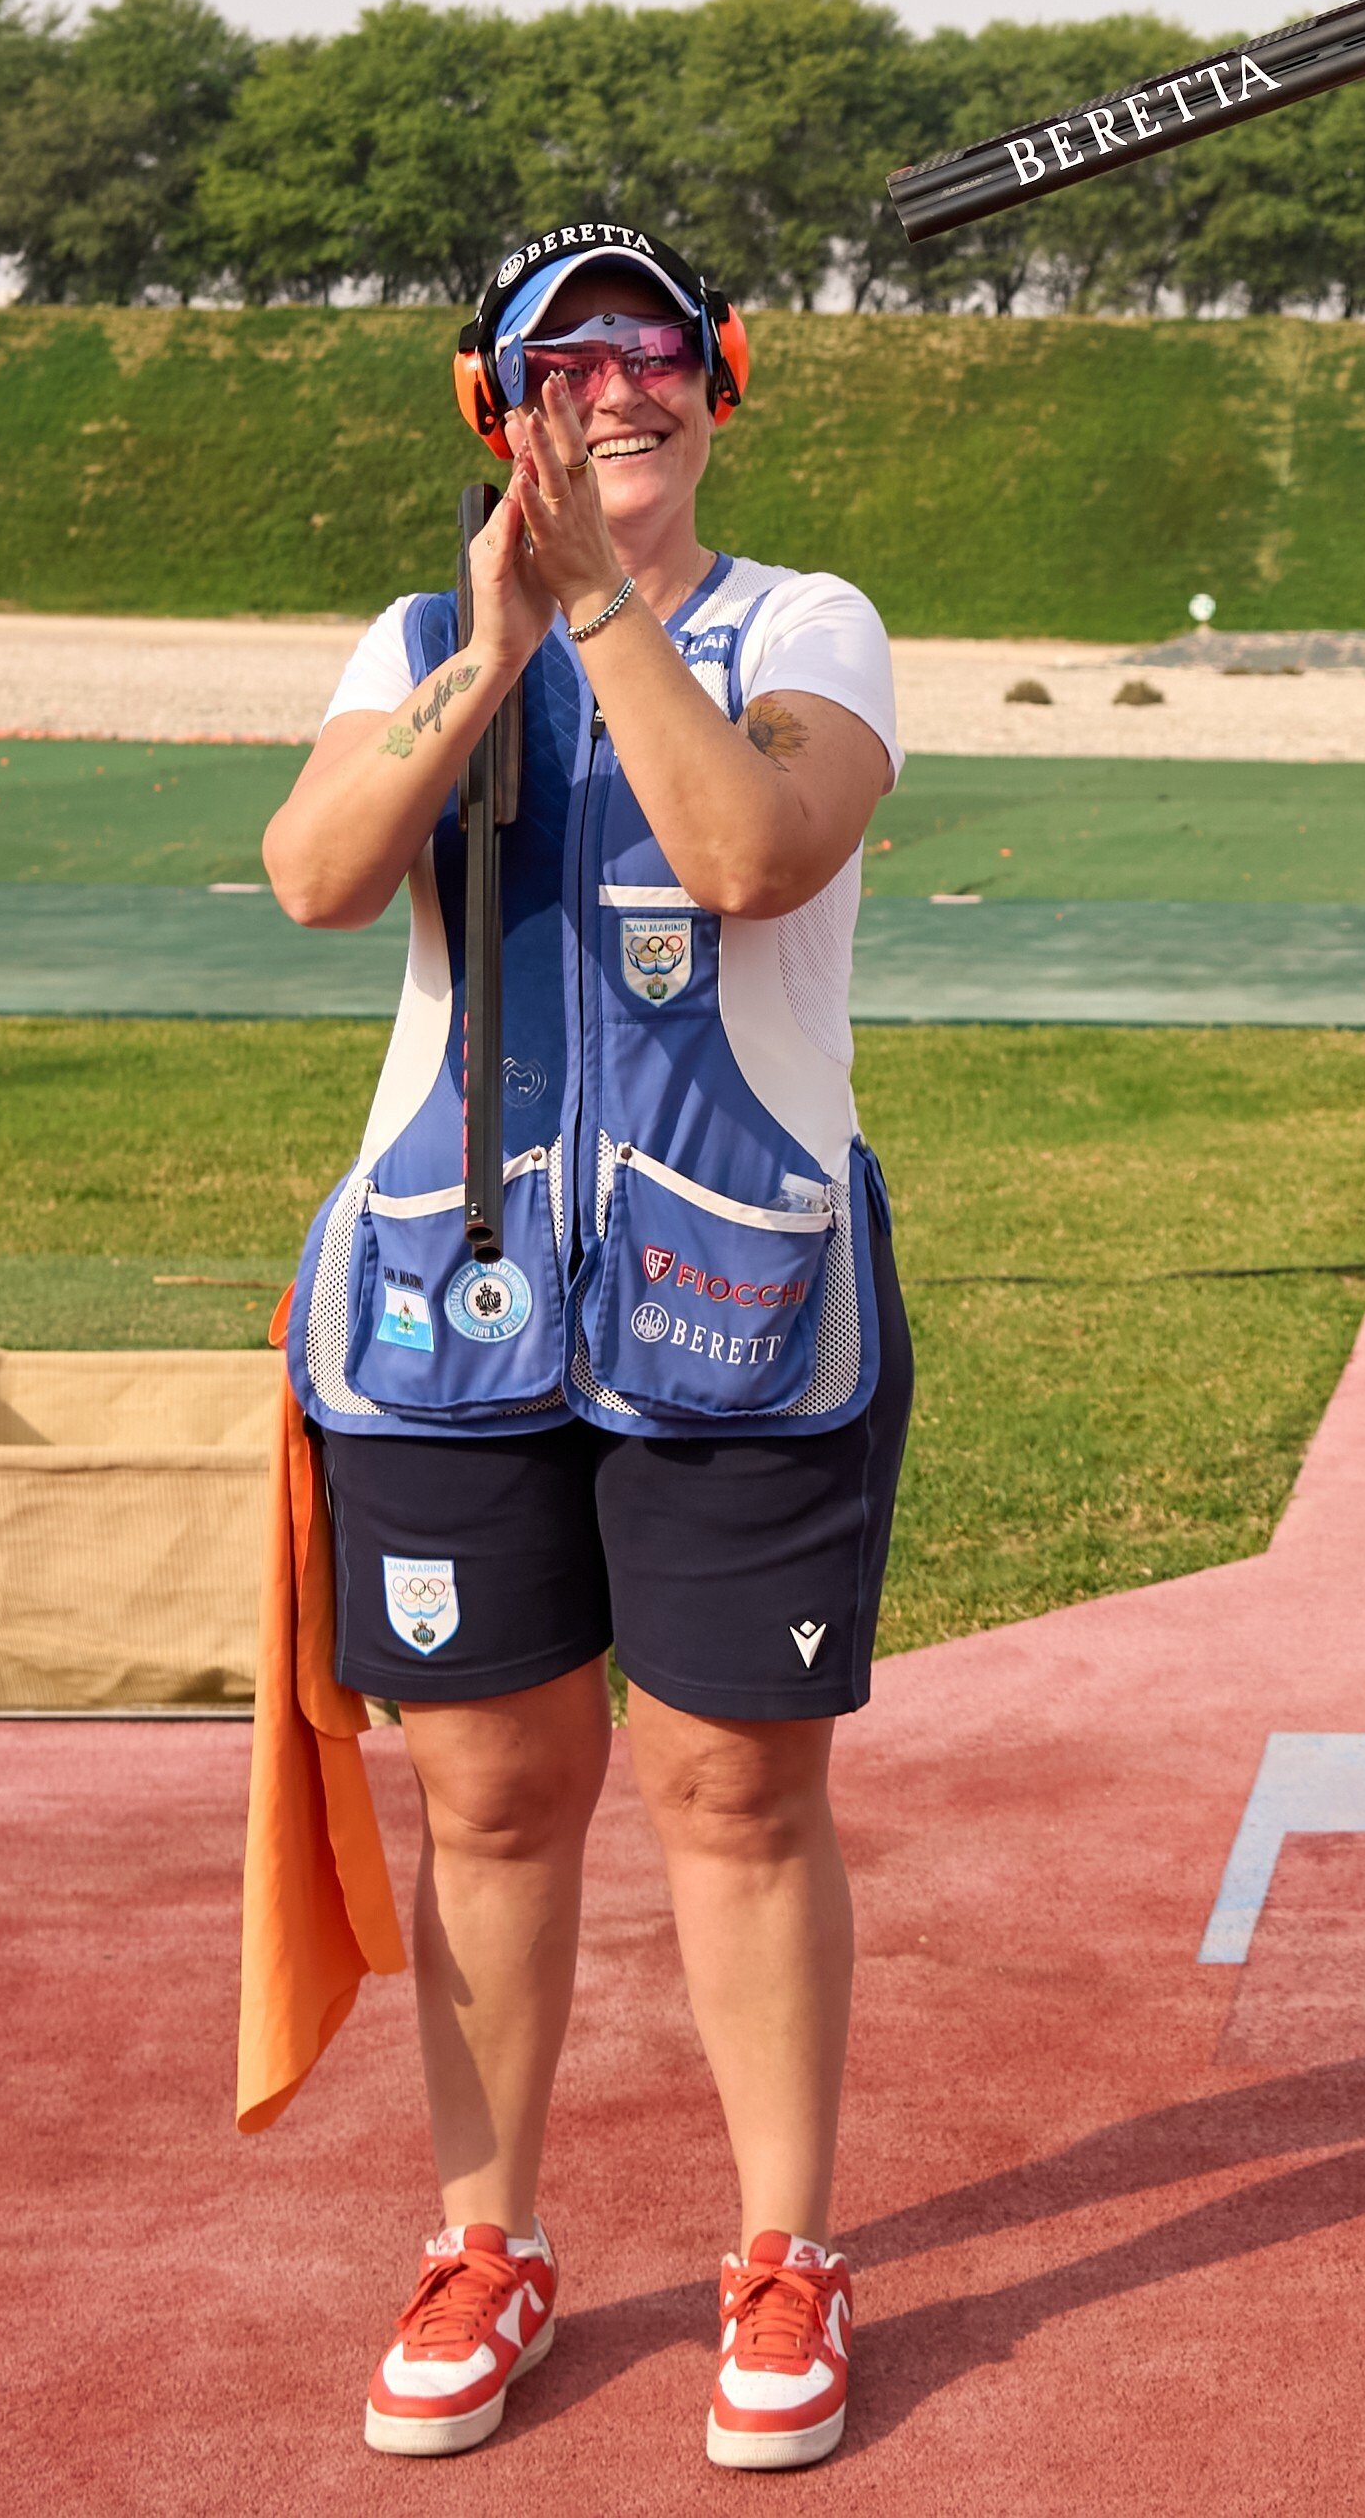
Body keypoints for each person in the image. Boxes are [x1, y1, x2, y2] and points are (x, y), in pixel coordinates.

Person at [260, 222, 909, 2474]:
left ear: (720, 379)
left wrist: (608, 614)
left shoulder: (800, 627)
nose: (616, 386)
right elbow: (321, 872)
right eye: (568, 353)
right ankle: (486, 2229)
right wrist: (497, 645)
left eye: (655, 348)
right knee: (493, 1796)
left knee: (737, 1789)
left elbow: (747, 851)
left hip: (736, 1306)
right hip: (453, 1309)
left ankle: (787, 2249)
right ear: (492, 398)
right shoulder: (425, 632)